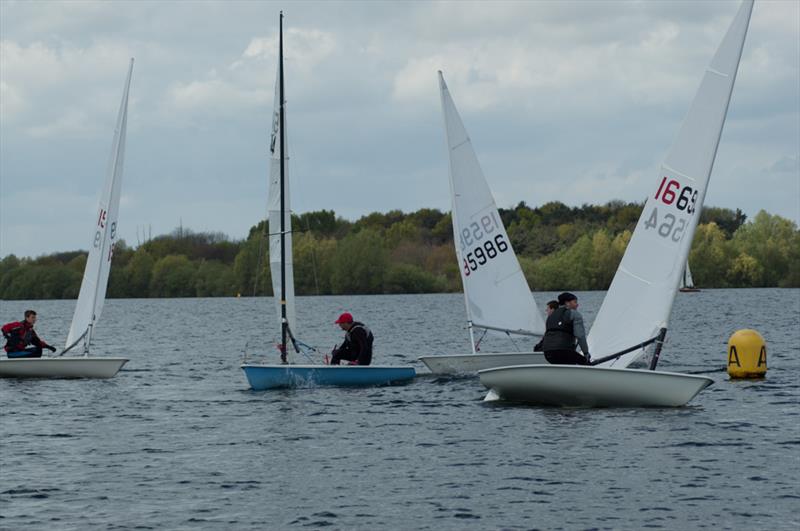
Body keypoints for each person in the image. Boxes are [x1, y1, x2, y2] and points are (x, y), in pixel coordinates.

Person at [540, 293, 591, 365]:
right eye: (575, 302)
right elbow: (580, 336)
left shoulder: (550, 316)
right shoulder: (575, 314)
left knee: (568, 358)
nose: (577, 305)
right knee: (585, 362)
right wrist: (586, 353)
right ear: (567, 303)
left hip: (548, 354)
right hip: (564, 352)